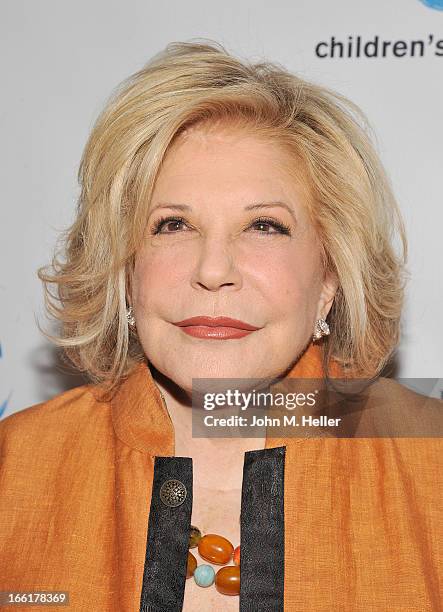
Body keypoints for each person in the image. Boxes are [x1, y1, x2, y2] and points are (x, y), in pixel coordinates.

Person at [0, 40, 441, 612]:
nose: (212, 271)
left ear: (330, 278)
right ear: (126, 268)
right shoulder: (15, 468)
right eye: (173, 224)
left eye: (263, 226)